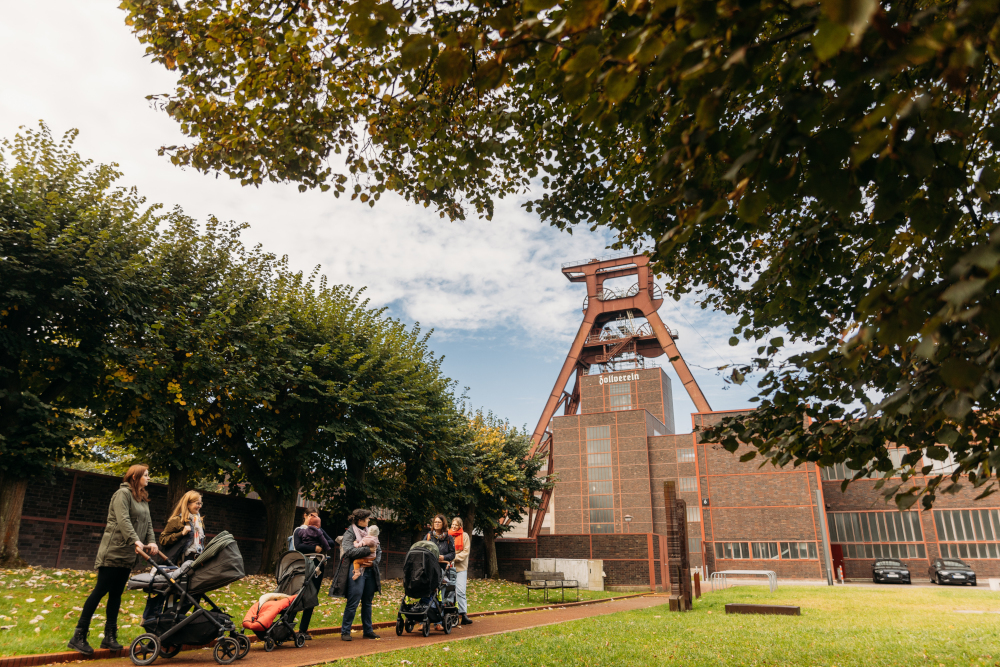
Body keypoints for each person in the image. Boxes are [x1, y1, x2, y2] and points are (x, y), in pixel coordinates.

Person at [68, 464, 158, 655]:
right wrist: (135, 539)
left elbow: (148, 523)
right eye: (146, 475)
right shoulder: (122, 494)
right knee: (100, 591)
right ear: (135, 476)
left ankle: (109, 637)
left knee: (116, 594)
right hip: (114, 550)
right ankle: (79, 635)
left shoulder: (142, 498)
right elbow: (123, 519)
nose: (149, 478)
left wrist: (152, 542)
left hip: (128, 554)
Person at [329, 509, 381, 641]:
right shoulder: (349, 533)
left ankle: (368, 630)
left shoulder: (371, 532)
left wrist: (373, 563)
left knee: (368, 602)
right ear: (360, 520)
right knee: (354, 600)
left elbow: (379, 551)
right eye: (367, 519)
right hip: (355, 570)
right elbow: (350, 551)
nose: (369, 521)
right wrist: (368, 550)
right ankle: (345, 631)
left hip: (370, 570)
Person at [293, 509, 333, 640]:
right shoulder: (299, 530)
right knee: (297, 595)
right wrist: (314, 548)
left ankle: (303, 630)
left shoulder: (319, 530)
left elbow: (331, 542)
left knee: (312, 595)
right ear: (305, 515)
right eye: (312, 515)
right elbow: (298, 546)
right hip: (303, 565)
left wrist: (320, 543)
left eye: (317, 516)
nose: (315, 518)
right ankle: (287, 626)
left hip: (318, 566)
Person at [159, 490, 205, 563]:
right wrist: (181, 533)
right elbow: (163, 540)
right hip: (183, 561)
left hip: (198, 559)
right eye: (197, 503)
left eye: (201, 503)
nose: (200, 506)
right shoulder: (177, 520)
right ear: (187, 504)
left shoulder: (198, 521)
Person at [449, 517, 473, 625]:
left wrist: (454, 557)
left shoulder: (465, 536)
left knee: (460, 591)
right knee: (448, 591)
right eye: (452, 524)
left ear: (460, 526)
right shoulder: (447, 536)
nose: (454, 527)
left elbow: (465, 552)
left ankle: (463, 614)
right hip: (449, 568)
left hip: (460, 568)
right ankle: (448, 613)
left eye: (456, 525)